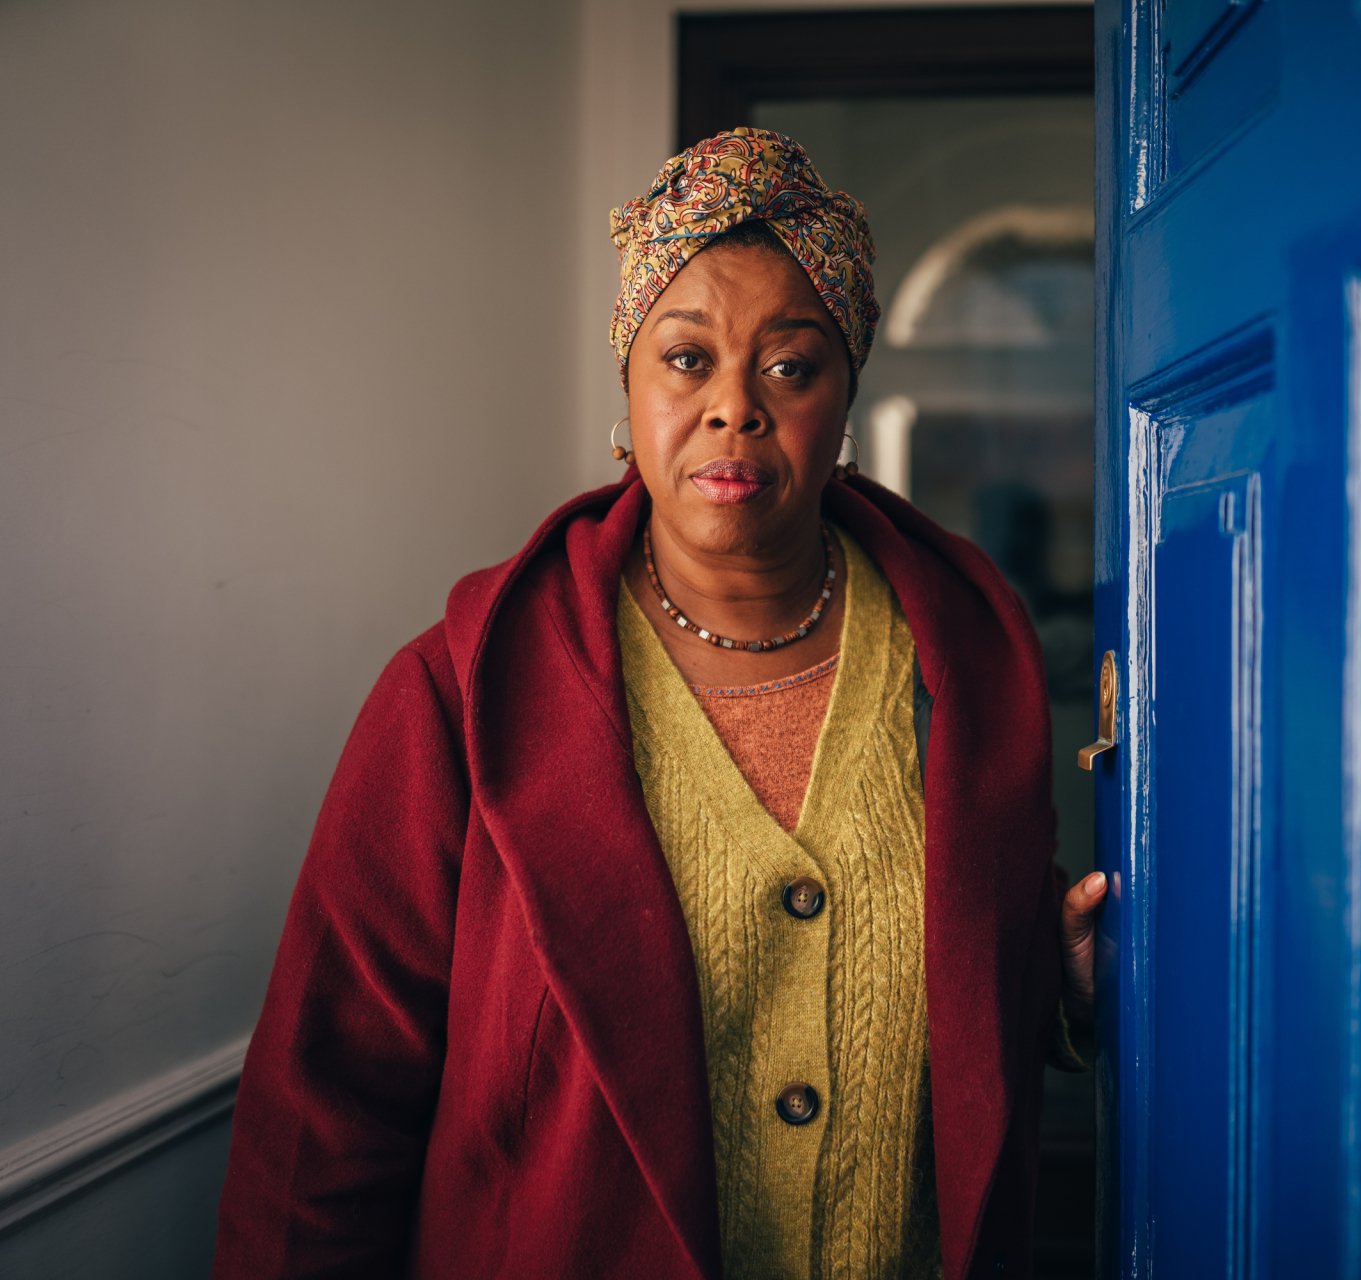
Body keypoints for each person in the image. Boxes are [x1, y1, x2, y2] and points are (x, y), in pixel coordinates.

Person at [212, 126, 1107, 1279]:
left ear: (845, 402)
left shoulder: (968, 670)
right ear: (628, 387)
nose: (735, 407)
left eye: (791, 365)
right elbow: (321, 1121)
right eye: (688, 359)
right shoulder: (460, 693)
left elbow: (949, 1023)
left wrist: (1058, 987)